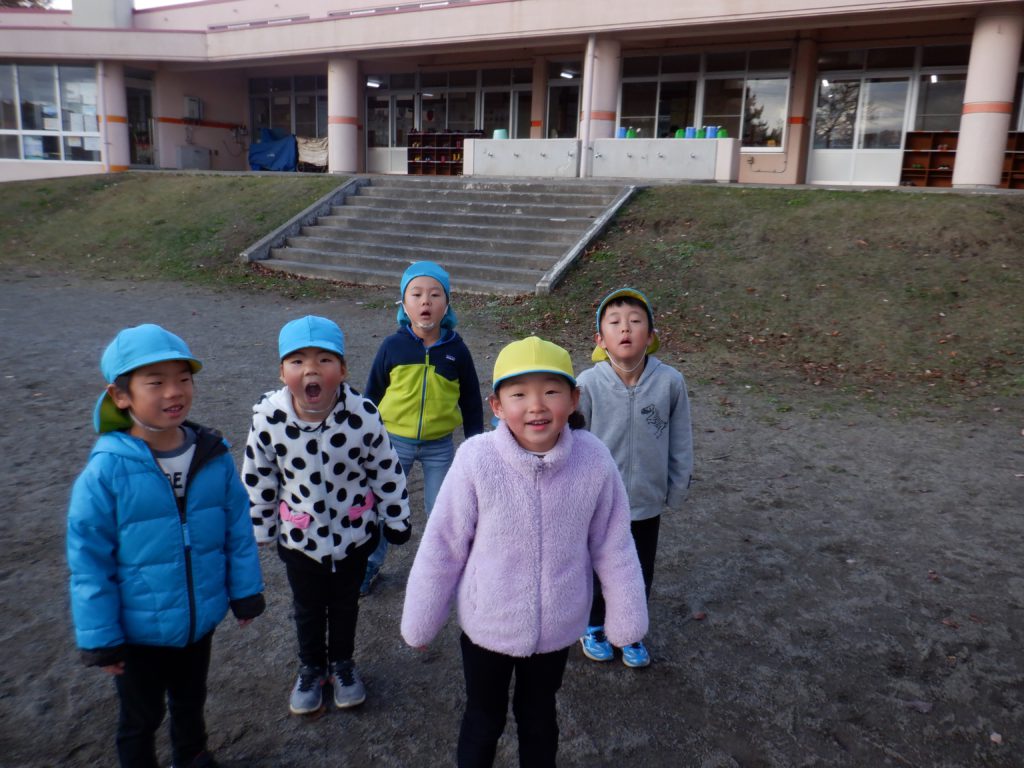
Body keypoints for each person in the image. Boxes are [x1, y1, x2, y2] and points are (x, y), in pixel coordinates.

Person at [401, 336, 648, 768]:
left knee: (539, 717)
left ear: (573, 399)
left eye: (551, 391)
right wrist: (423, 617)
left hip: (556, 626)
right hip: (488, 624)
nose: (536, 406)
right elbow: (444, 542)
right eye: (519, 394)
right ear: (497, 405)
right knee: (483, 718)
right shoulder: (476, 460)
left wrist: (626, 617)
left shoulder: (594, 461)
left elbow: (613, 543)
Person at [67, 324, 265, 768]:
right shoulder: (106, 472)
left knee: (191, 699)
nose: (174, 391)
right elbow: (89, 562)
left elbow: (237, 528)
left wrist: (245, 591)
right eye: (155, 382)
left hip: (198, 619)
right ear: (120, 396)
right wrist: (101, 637)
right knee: (141, 718)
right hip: (138, 631)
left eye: (183, 378)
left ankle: (192, 755)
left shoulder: (212, 455)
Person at [241, 315, 411, 715]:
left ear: (343, 369)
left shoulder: (362, 415)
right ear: (282, 371)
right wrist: (261, 526)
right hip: (300, 538)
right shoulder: (269, 418)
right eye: (297, 361)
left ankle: (343, 664)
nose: (311, 370)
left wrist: (396, 518)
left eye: (324, 359)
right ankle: (311, 668)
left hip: (354, 535)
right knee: (307, 608)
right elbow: (258, 476)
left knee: (346, 605)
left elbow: (385, 468)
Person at [576, 287, 693, 668]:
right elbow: (574, 442)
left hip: (645, 500)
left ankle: (630, 631)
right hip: (599, 502)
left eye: (635, 321)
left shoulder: (670, 382)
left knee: (639, 571)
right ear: (600, 339)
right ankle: (594, 625)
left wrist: (677, 486)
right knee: (597, 567)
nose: (625, 328)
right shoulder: (587, 384)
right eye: (614, 322)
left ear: (651, 335)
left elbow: (681, 438)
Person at [360, 261, 483, 595]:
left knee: (443, 511)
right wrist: (362, 436)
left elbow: (471, 400)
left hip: (439, 446)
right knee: (383, 506)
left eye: (434, 294)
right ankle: (369, 564)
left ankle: (443, 570)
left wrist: (475, 444)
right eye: (416, 294)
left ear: (447, 304)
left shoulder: (457, 350)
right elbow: (371, 394)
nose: (425, 301)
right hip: (392, 443)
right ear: (404, 304)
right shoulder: (392, 346)